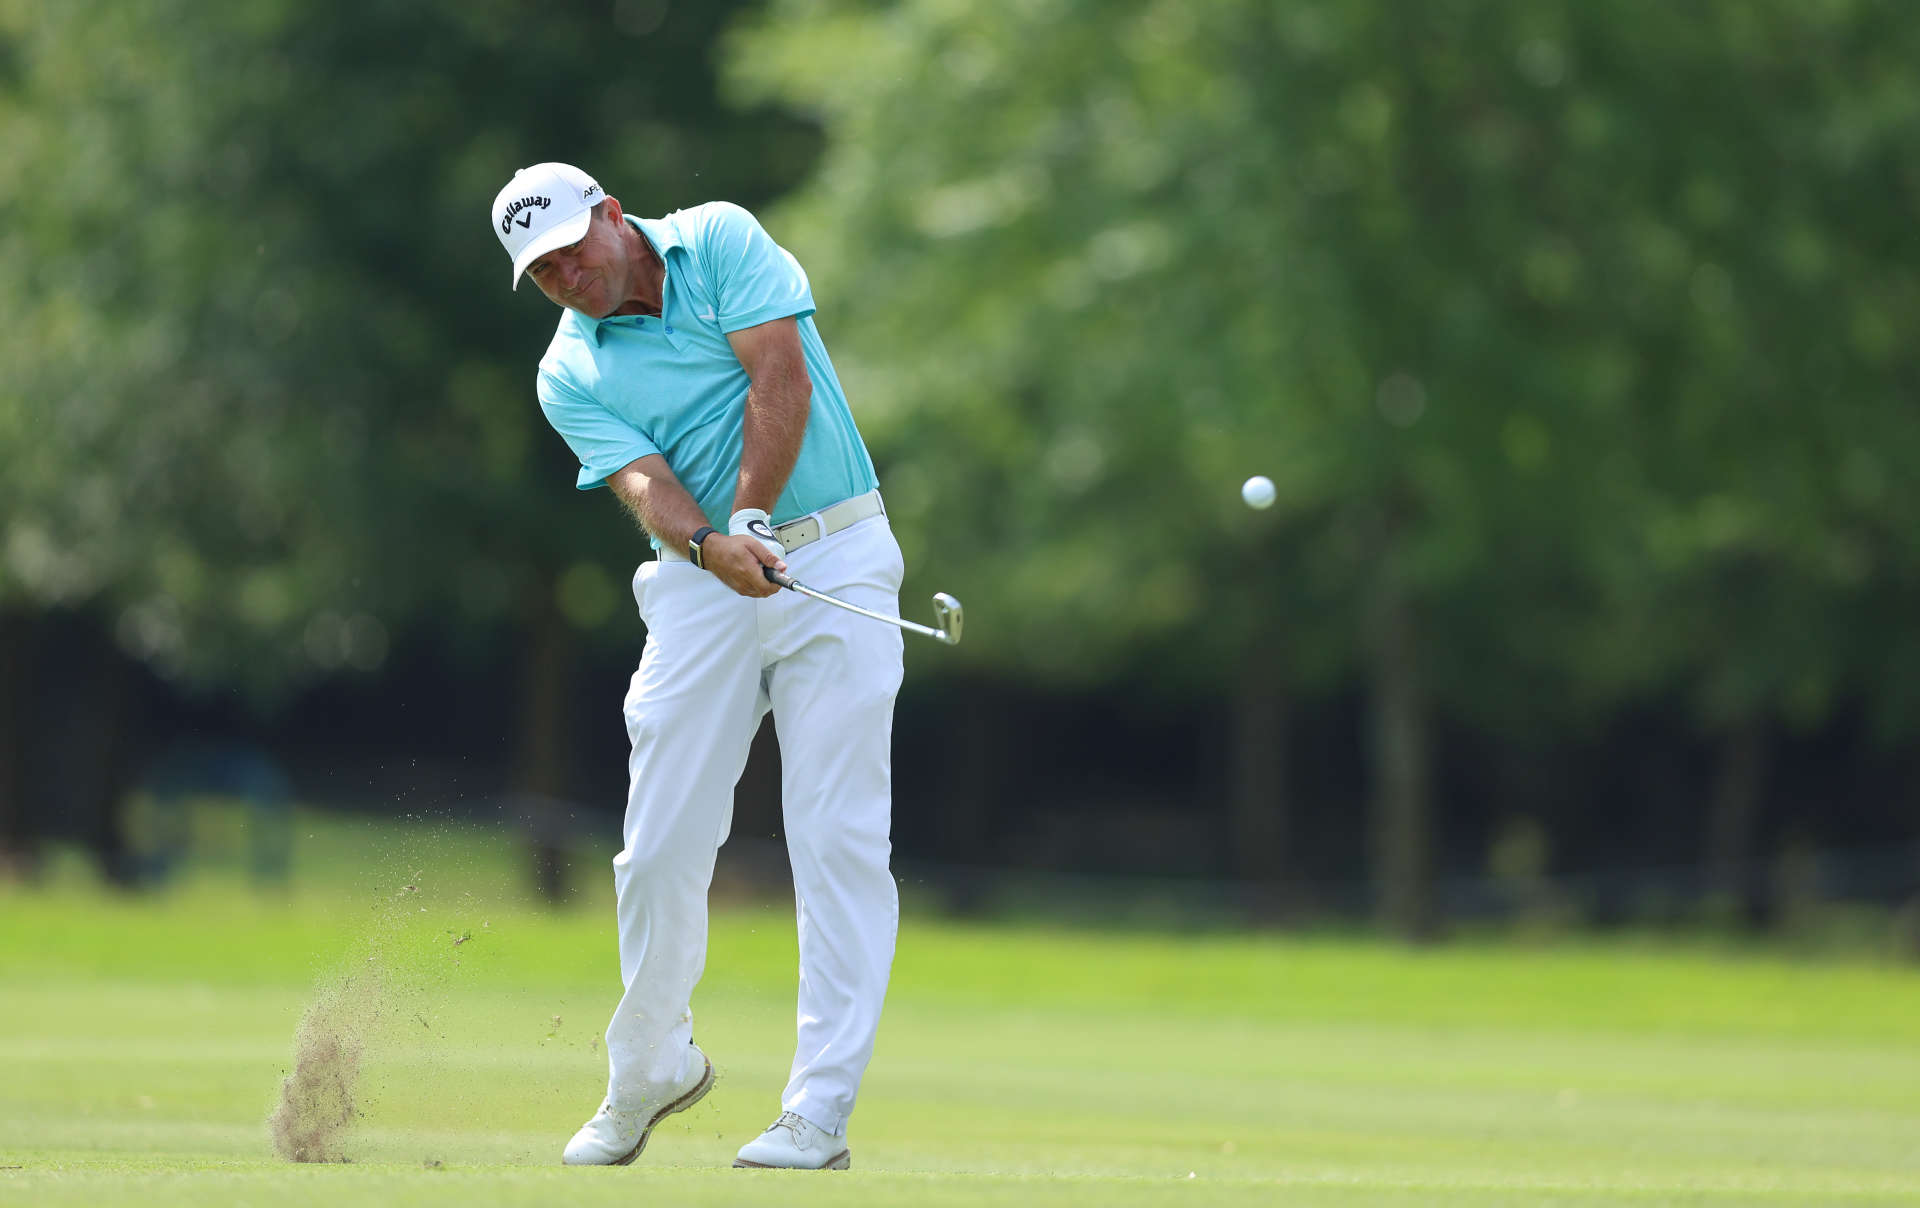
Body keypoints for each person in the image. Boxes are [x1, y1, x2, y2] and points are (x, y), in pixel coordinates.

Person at [490, 162, 905, 1171]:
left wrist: (751, 521)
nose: (567, 277)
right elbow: (642, 477)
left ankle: (817, 1110)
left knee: (836, 835)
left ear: (611, 214)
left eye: (571, 249)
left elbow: (780, 373)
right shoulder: (567, 370)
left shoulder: (718, 239)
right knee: (659, 839)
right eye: (541, 271)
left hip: (834, 549)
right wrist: (712, 544)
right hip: (697, 582)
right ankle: (650, 1066)